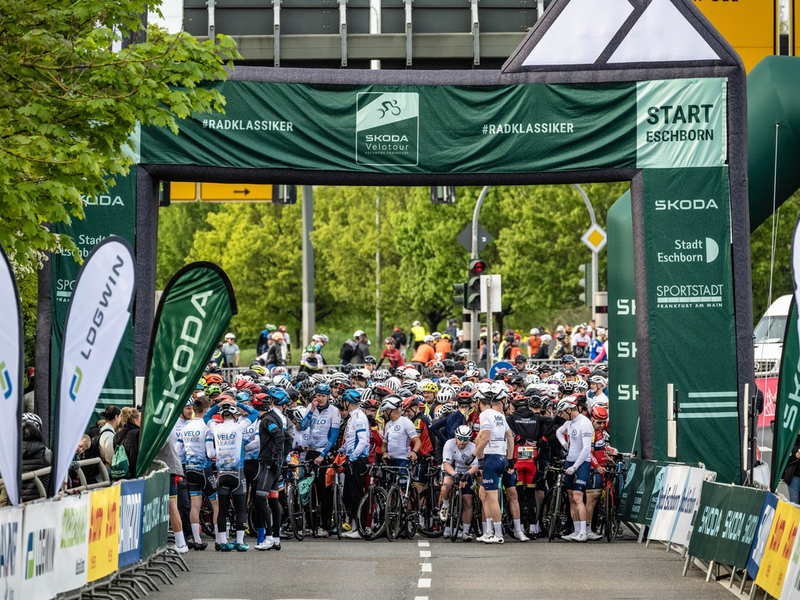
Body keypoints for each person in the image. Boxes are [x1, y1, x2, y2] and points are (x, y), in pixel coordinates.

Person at [205, 396, 259, 551]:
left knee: (222, 510)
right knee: (240, 509)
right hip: (237, 473)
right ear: (235, 415)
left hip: (222, 473)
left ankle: (223, 542)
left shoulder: (216, 427)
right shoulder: (238, 427)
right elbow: (255, 413)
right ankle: (240, 542)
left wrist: (218, 405)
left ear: (222, 415)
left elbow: (207, 416)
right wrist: (238, 403)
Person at [299, 383, 342, 536]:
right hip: (311, 451)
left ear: (328, 396)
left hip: (325, 452)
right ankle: (311, 525)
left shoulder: (334, 411)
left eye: (323, 396)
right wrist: (311, 410)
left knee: (324, 492)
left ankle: (325, 524)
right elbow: (302, 427)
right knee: (307, 490)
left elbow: (334, 436)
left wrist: (322, 455)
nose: (321, 399)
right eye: (318, 396)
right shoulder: (310, 407)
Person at [473, 388, 514, 544]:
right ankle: (488, 531)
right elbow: (510, 436)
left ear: (479, 401)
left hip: (491, 457)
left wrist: (474, 455)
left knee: (492, 499)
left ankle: (498, 534)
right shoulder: (499, 414)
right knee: (483, 494)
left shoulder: (484, 415)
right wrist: (510, 459)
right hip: (501, 457)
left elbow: (485, 438)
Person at [177, 396, 218, 551]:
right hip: (204, 469)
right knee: (216, 504)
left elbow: (178, 451)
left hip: (189, 469)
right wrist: (221, 452)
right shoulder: (207, 427)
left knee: (195, 505)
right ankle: (220, 539)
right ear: (206, 410)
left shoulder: (185, 428)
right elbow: (210, 452)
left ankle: (197, 540)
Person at [555, 396, 593, 542]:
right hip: (570, 461)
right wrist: (565, 445)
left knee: (578, 496)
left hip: (582, 463)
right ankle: (576, 531)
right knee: (571, 497)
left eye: (562, 412)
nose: (561, 415)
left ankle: (583, 532)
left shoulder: (584, 422)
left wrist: (575, 466)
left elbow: (586, 448)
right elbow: (559, 432)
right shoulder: (569, 422)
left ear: (570, 410)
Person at [439, 425, 480, 541]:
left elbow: (475, 467)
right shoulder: (449, 444)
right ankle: (446, 505)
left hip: (466, 473)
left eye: (465, 439)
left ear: (469, 439)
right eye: (460, 438)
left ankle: (466, 531)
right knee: (447, 485)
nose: (462, 442)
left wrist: (467, 475)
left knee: (468, 501)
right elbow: (446, 464)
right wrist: (455, 475)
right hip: (451, 470)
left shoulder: (472, 447)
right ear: (456, 437)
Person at [340, 390, 370, 539]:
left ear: (347, 402)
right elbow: (351, 439)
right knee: (348, 495)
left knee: (356, 495)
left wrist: (352, 458)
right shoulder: (353, 417)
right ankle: (354, 525)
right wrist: (342, 450)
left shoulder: (358, 417)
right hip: (351, 458)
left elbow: (363, 441)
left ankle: (361, 528)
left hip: (357, 460)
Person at [113, 407, 141, 478]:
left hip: (121, 471)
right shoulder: (138, 433)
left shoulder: (117, 435)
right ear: (135, 420)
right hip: (134, 472)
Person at [785, 434, 800, 504]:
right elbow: (784, 459)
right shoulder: (791, 439)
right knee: (795, 503)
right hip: (794, 477)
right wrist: (795, 456)